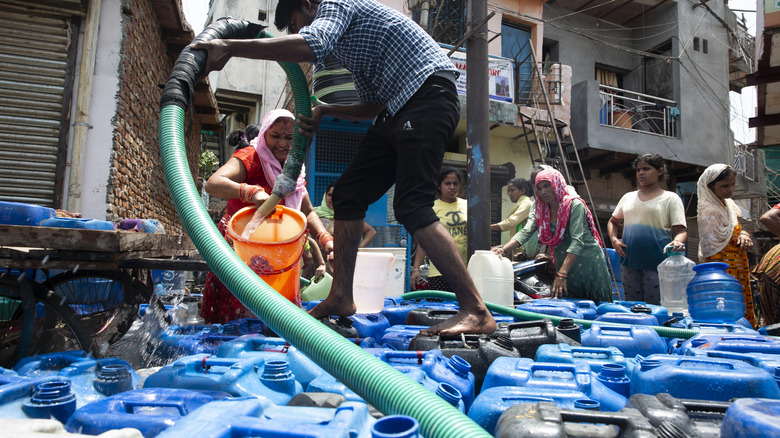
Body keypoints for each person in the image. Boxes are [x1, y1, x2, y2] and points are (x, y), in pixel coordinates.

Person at [190, 0, 495, 335]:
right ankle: (341, 296)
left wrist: (230, 46)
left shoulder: (336, 3)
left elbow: (312, 44)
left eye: (298, 24)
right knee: (348, 195)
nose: (301, 34)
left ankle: (475, 309)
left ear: (308, 4)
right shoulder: (353, 51)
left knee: (411, 204)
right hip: (393, 110)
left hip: (427, 94)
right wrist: (325, 110)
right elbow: (373, 105)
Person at [200, 110, 333, 324]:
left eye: (289, 137)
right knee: (237, 316)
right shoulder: (251, 157)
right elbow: (213, 183)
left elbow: (307, 211)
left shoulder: (293, 166)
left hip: (277, 251)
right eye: (276, 135)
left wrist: (326, 239)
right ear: (264, 134)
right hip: (240, 247)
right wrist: (251, 192)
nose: (282, 143)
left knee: (275, 317)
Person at [493, 168, 612, 302]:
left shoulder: (574, 205)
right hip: (564, 262)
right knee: (571, 307)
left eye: (547, 186)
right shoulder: (541, 209)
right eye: (539, 188)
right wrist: (503, 249)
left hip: (587, 261)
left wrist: (562, 274)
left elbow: (577, 241)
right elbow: (526, 231)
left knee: (597, 305)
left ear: (557, 184)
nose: (543, 191)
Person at [607, 154, 687, 305]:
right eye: (638, 170)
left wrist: (676, 242)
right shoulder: (628, 197)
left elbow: (680, 230)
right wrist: (614, 240)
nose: (641, 173)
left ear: (660, 171)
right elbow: (613, 222)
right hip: (629, 261)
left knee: (655, 307)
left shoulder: (670, 198)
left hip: (657, 262)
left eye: (646, 169)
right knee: (632, 306)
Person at [697, 164, 756, 327]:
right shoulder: (709, 211)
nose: (730, 189)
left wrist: (744, 235)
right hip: (723, 271)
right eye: (724, 186)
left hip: (740, 268)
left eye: (733, 184)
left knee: (742, 306)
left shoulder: (729, 206)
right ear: (710, 187)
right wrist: (720, 278)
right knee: (729, 309)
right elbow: (712, 250)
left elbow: (735, 230)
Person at [411, 167, 467, 292]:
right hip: (439, 270)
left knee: (466, 307)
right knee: (439, 308)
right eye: (447, 183)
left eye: (455, 183)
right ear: (439, 186)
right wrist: (416, 269)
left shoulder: (468, 205)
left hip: (466, 269)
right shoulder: (432, 208)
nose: (452, 187)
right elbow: (424, 242)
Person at [313, 181, 377, 250]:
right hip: (318, 258)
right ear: (325, 196)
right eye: (330, 195)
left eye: (337, 196)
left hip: (343, 258)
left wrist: (360, 247)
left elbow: (371, 231)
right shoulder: (315, 214)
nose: (333, 198)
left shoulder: (348, 215)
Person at [754, 205, 780, 325]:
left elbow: (768, 217)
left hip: (771, 261)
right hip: (775, 267)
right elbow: (768, 217)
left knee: (773, 327)